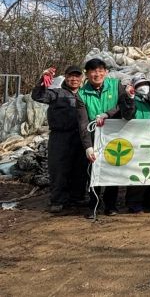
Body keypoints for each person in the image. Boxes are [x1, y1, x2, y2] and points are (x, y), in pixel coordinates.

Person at [78, 58, 135, 218]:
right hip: (94, 137)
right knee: (93, 171)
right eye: (93, 71)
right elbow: (82, 122)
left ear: (106, 72)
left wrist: (107, 114)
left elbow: (122, 105)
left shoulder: (116, 85)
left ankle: (111, 205)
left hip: (115, 136)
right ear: (87, 74)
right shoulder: (81, 94)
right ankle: (94, 205)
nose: (97, 74)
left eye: (100, 71)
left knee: (112, 169)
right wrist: (88, 146)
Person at [32, 65, 89, 213]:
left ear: (81, 78)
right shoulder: (56, 93)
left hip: (81, 136)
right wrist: (42, 81)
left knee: (80, 168)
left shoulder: (85, 94)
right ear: (65, 77)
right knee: (59, 168)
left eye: (77, 76)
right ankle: (58, 200)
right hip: (60, 136)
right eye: (71, 76)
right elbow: (38, 96)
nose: (74, 79)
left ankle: (77, 198)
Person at [125, 63, 150, 213]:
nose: (144, 88)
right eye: (140, 85)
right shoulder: (131, 100)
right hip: (137, 143)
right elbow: (127, 114)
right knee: (137, 174)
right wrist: (130, 98)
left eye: (145, 84)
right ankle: (134, 203)